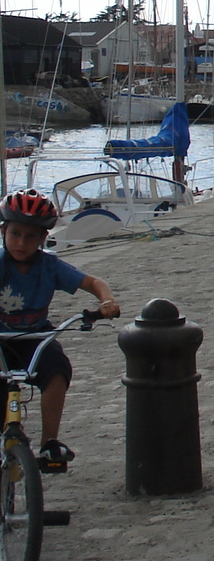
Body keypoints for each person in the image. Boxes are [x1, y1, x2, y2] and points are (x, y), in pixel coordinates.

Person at [0, 190, 121, 470]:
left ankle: (49, 444)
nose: (21, 243)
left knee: (57, 371)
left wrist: (107, 301)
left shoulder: (48, 266)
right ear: (4, 231)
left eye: (31, 236)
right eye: (15, 234)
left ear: (43, 239)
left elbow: (93, 282)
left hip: (35, 336)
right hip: (1, 339)